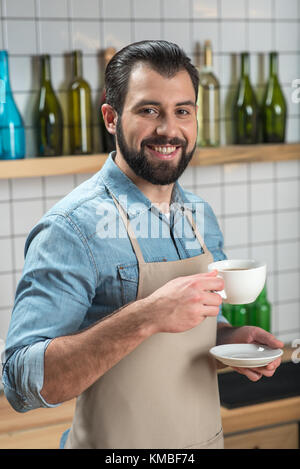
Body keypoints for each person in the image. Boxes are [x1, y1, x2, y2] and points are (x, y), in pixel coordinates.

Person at [2, 40, 283, 449]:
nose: (169, 129)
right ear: (111, 118)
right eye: (149, 110)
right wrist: (146, 315)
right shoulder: (72, 227)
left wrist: (228, 337)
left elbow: (189, 333)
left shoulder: (201, 218)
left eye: (182, 111)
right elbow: (20, 382)